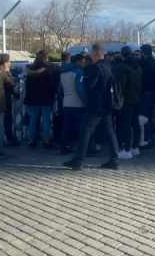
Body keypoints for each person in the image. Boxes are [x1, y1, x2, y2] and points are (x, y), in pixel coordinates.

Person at [63, 43, 120, 171]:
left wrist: (84, 79)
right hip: (107, 104)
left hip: (96, 105)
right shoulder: (108, 66)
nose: (89, 55)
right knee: (110, 130)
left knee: (85, 131)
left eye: (91, 53)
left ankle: (78, 160)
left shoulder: (96, 68)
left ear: (96, 53)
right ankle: (114, 159)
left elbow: (90, 86)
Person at [114, 46, 142, 160]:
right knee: (135, 124)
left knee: (126, 125)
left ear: (122, 54)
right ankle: (135, 147)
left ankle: (127, 149)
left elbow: (121, 85)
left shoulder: (123, 67)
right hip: (137, 98)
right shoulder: (138, 67)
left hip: (127, 99)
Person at [24, 51, 56, 148]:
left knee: (33, 120)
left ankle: (31, 140)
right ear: (45, 58)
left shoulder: (30, 69)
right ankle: (46, 140)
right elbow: (51, 85)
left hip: (33, 99)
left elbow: (27, 86)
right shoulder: (48, 70)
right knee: (46, 120)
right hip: (45, 98)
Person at [57, 52, 87, 155]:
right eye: (82, 62)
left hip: (66, 103)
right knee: (81, 127)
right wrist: (85, 100)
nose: (84, 64)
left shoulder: (63, 73)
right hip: (78, 103)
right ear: (78, 62)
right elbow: (80, 89)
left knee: (67, 127)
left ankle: (63, 146)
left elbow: (60, 90)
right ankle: (82, 148)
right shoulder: (78, 73)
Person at [138, 44, 155, 148]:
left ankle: (146, 139)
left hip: (146, 94)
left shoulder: (144, 64)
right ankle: (150, 138)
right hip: (154, 94)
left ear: (143, 53)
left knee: (144, 118)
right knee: (150, 117)